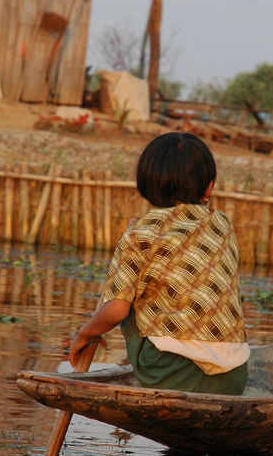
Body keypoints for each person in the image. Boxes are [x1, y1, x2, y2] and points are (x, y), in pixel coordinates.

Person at [69, 132, 249, 394]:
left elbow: (117, 311)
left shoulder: (138, 236)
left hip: (171, 374)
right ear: (208, 187)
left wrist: (85, 333)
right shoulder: (223, 225)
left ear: (145, 184)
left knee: (124, 298)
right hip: (234, 379)